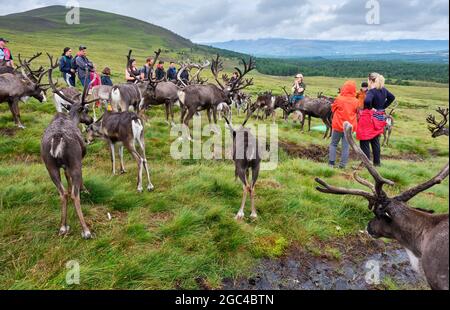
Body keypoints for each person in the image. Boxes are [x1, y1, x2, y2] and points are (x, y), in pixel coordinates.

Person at [357, 73, 396, 167]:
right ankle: (377, 163)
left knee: (364, 140)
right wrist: (382, 107)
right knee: (375, 140)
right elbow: (392, 97)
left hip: (369, 118)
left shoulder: (371, 91)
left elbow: (367, 101)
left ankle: (366, 164)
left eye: (368, 81)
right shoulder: (384, 90)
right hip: (380, 117)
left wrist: (370, 108)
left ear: (371, 81)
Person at [328, 81, 360, 169]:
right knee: (345, 146)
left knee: (333, 144)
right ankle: (342, 165)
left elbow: (333, 109)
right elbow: (357, 112)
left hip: (338, 125)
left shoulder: (339, 98)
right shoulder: (356, 101)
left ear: (344, 88)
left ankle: (331, 163)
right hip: (349, 127)